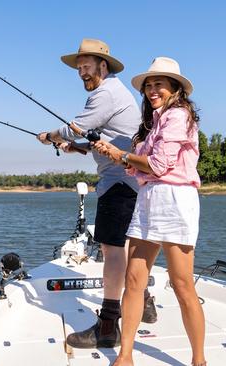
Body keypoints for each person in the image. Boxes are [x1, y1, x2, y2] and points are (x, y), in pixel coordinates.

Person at [36, 39, 157, 348]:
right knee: (128, 247)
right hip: (130, 182)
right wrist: (76, 148)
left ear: (103, 66)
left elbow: (77, 126)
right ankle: (143, 301)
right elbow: (96, 137)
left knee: (112, 250)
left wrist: (50, 136)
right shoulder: (116, 93)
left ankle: (107, 325)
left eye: (86, 66)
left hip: (119, 182)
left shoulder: (106, 92)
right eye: (79, 69)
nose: (82, 73)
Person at [93, 57, 206, 366]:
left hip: (174, 201)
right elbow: (139, 170)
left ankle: (199, 360)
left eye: (159, 84)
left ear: (176, 89)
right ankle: (125, 355)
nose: (152, 90)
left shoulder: (179, 116)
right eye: (148, 85)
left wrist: (123, 154)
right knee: (134, 279)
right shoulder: (155, 123)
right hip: (149, 200)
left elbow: (158, 165)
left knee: (182, 284)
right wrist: (115, 154)